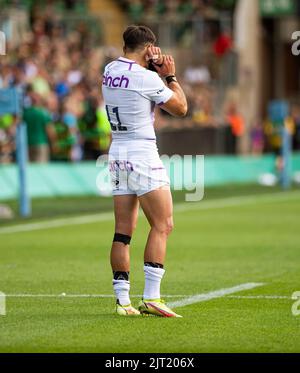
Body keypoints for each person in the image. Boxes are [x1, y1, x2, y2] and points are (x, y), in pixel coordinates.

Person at [102, 25, 187, 317]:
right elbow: (181, 108)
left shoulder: (109, 69)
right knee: (163, 224)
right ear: (151, 48)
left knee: (123, 232)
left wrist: (149, 66)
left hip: (117, 153)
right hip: (141, 153)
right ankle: (152, 297)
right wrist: (169, 76)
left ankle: (122, 301)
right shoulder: (147, 77)